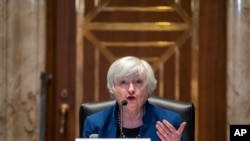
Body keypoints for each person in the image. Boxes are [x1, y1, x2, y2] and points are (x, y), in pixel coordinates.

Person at [83, 56, 186, 141]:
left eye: (138, 82)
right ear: (113, 88)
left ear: (148, 87)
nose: (131, 89)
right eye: (123, 82)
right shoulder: (95, 124)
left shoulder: (169, 123)